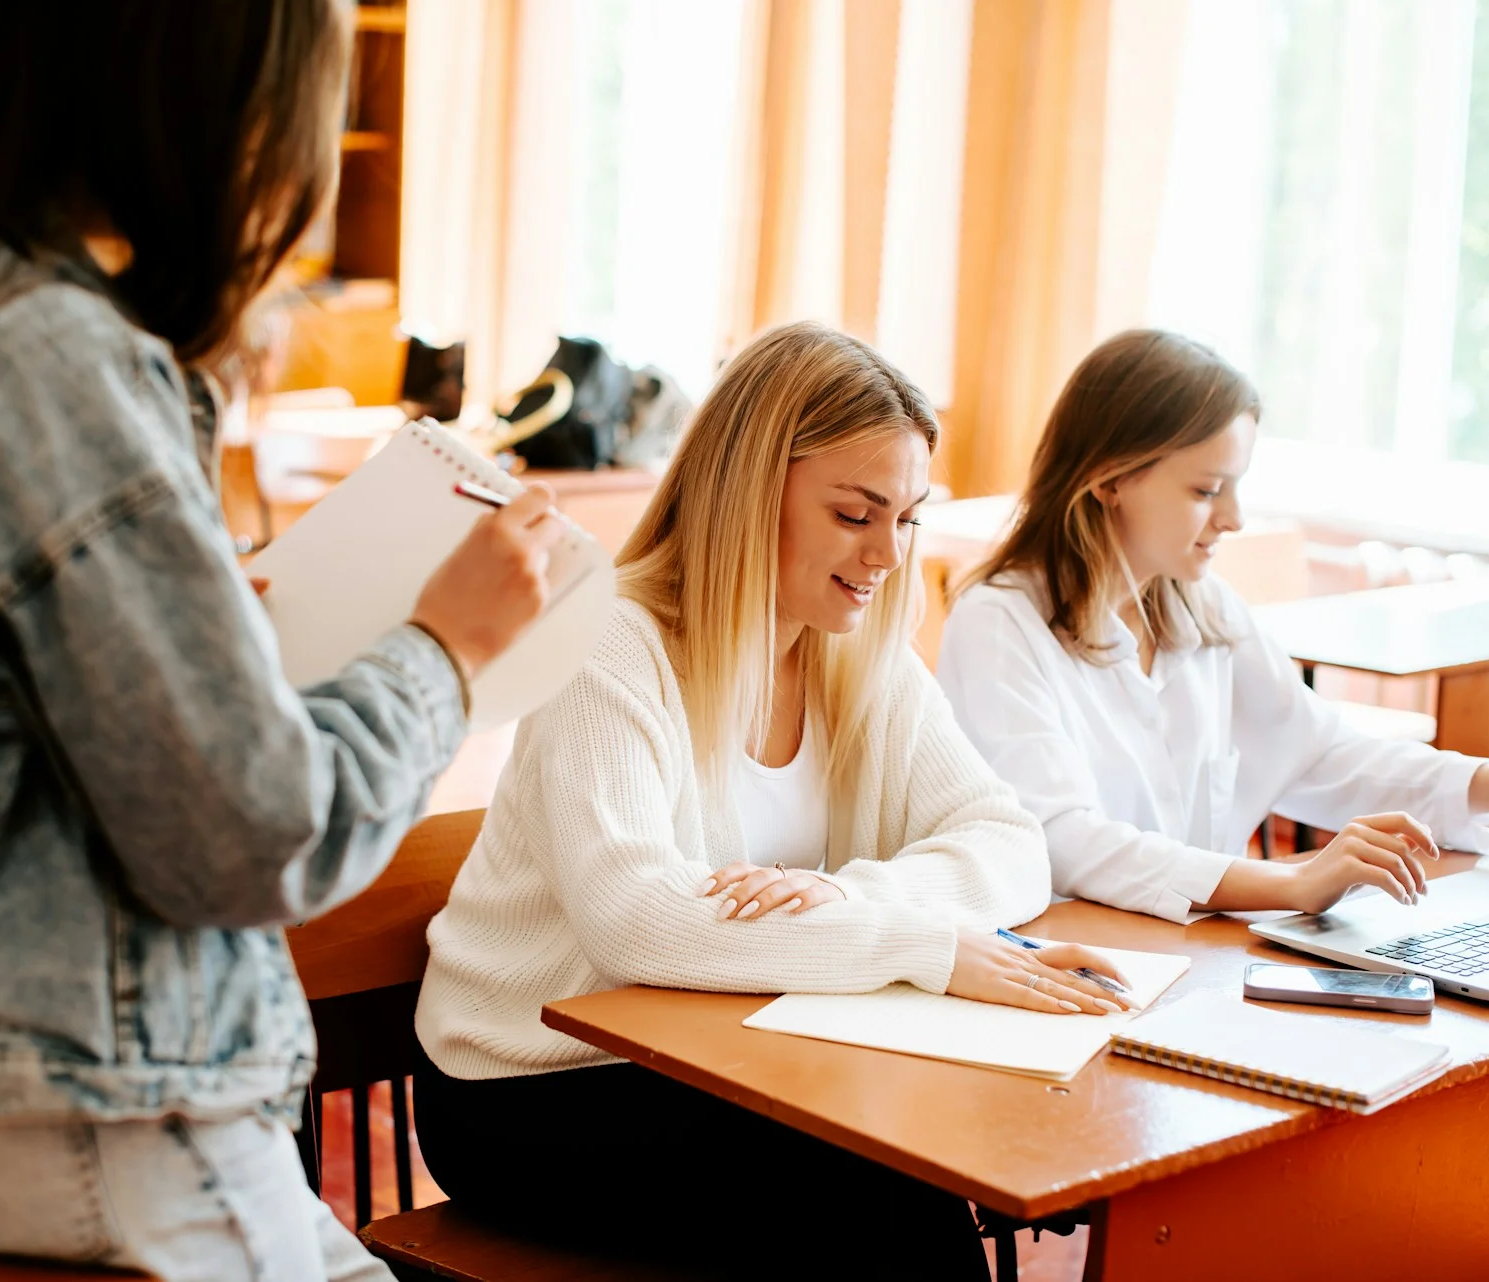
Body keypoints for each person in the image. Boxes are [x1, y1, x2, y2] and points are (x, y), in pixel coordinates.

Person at [0, 3, 561, 1279]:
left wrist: (189, 614)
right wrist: (446, 644)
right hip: (83, 1110)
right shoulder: (48, 354)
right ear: (200, 112)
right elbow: (262, 834)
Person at [412, 321, 1128, 1278]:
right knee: (873, 1174)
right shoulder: (610, 645)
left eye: (906, 519)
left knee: (899, 1151)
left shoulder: (855, 646)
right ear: (750, 491)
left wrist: (850, 900)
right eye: (854, 513)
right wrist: (927, 946)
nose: (885, 554)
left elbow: (1007, 842)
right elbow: (637, 923)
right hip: (535, 1080)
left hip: (738, 1048)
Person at [935, 329, 1489, 925]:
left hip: (1201, 960)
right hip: (1082, 963)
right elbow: (1061, 839)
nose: (1235, 518)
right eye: (1207, 489)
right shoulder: (999, 624)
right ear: (1110, 478)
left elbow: (1320, 754)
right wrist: (1292, 881)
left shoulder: (1203, 606)